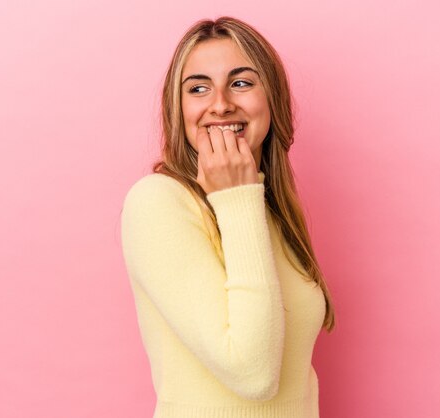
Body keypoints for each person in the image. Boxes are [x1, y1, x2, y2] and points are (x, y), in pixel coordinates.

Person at [120, 16, 336, 418]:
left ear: (271, 99)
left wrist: (244, 198)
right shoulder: (157, 202)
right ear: (177, 108)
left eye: (241, 83)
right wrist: (237, 198)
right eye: (198, 88)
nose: (220, 104)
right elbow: (253, 376)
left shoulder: (268, 208)